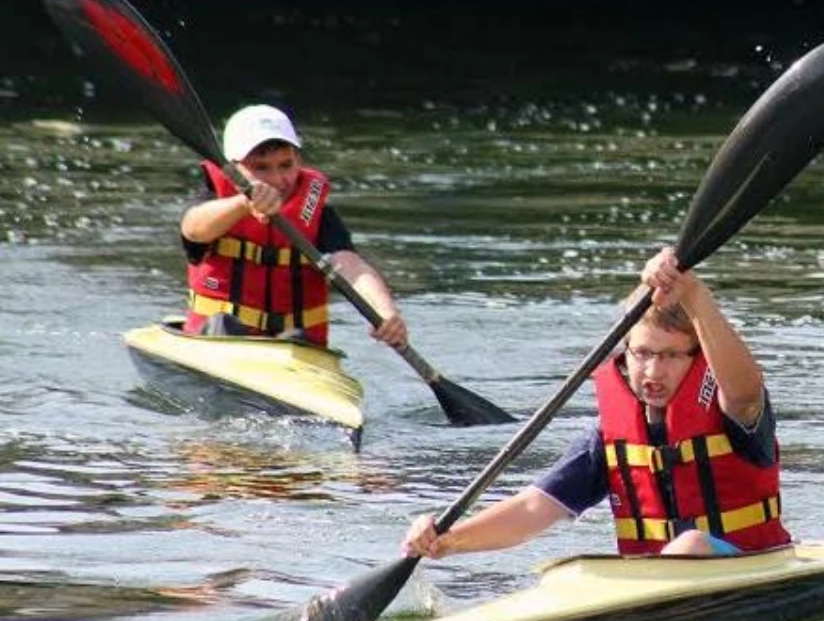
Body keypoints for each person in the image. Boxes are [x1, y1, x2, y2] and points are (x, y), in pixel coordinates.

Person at [402, 245, 790, 560]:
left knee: (691, 545)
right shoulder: (607, 439)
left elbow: (745, 389)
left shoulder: (732, 410)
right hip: (655, 583)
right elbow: (535, 509)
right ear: (624, 354)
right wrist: (449, 540)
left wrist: (694, 294)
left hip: (751, 565)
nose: (653, 371)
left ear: (698, 356)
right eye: (641, 353)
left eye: (671, 356)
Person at [179, 104, 407, 349]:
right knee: (224, 325)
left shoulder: (318, 214)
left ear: (299, 160)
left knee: (296, 340)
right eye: (261, 168)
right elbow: (193, 229)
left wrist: (384, 310)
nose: (278, 180)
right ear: (233, 168)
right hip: (220, 336)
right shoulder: (214, 202)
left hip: (295, 345)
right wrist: (243, 203)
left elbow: (349, 264)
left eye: (286, 165)